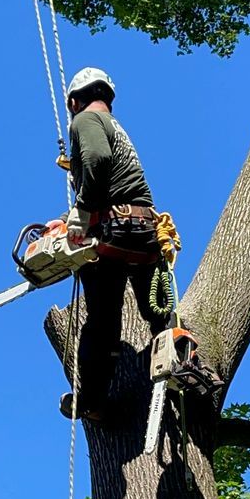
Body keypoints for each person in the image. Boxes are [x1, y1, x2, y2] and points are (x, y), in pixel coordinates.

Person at [61, 67, 169, 420]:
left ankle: (91, 400)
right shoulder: (116, 127)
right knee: (156, 310)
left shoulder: (85, 120)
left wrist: (81, 210)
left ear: (75, 101)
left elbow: (96, 160)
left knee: (103, 324)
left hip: (116, 229)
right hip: (143, 230)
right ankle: (176, 355)